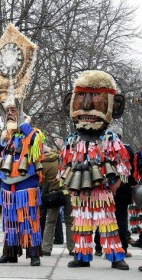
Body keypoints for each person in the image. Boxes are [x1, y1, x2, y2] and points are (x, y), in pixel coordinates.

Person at [60, 70, 131, 270]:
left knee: (108, 223)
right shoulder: (71, 140)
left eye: (95, 96)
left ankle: (116, 256)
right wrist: (67, 181)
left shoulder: (111, 139)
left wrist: (115, 181)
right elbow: (64, 164)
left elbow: (122, 164)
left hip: (103, 191)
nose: (87, 105)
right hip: (80, 191)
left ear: (114, 106)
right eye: (81, 96)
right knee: (81, 223)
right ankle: (82, 256)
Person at [0, 94, 45, 267]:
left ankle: (34, 254)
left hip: (26, 185)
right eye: (7, 111)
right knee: (10, 221)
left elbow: (36, 144)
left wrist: (25, 124)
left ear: (22, 113)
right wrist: (1, 139)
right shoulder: (7, 137)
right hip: (7, 185)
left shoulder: (32, 132)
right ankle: (10, 253)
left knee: (29, 220)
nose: (9, 114)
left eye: (13, 110)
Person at [93, 127, 136, 258]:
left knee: (104, 217)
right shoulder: (127, 149)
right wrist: (132, 184)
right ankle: (122, 247)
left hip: (107, 188)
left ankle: (99, 246)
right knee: (121, 218)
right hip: (123, 187)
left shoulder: (101, 149)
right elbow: (132, 170)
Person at [41, 147, 74, 257]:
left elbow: (43, 181)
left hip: (53, 194)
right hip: (67, 191)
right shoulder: (63, 158)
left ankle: (46, 248)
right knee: (69, 221)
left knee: (50, 221)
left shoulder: (43, 163)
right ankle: (72, 248)